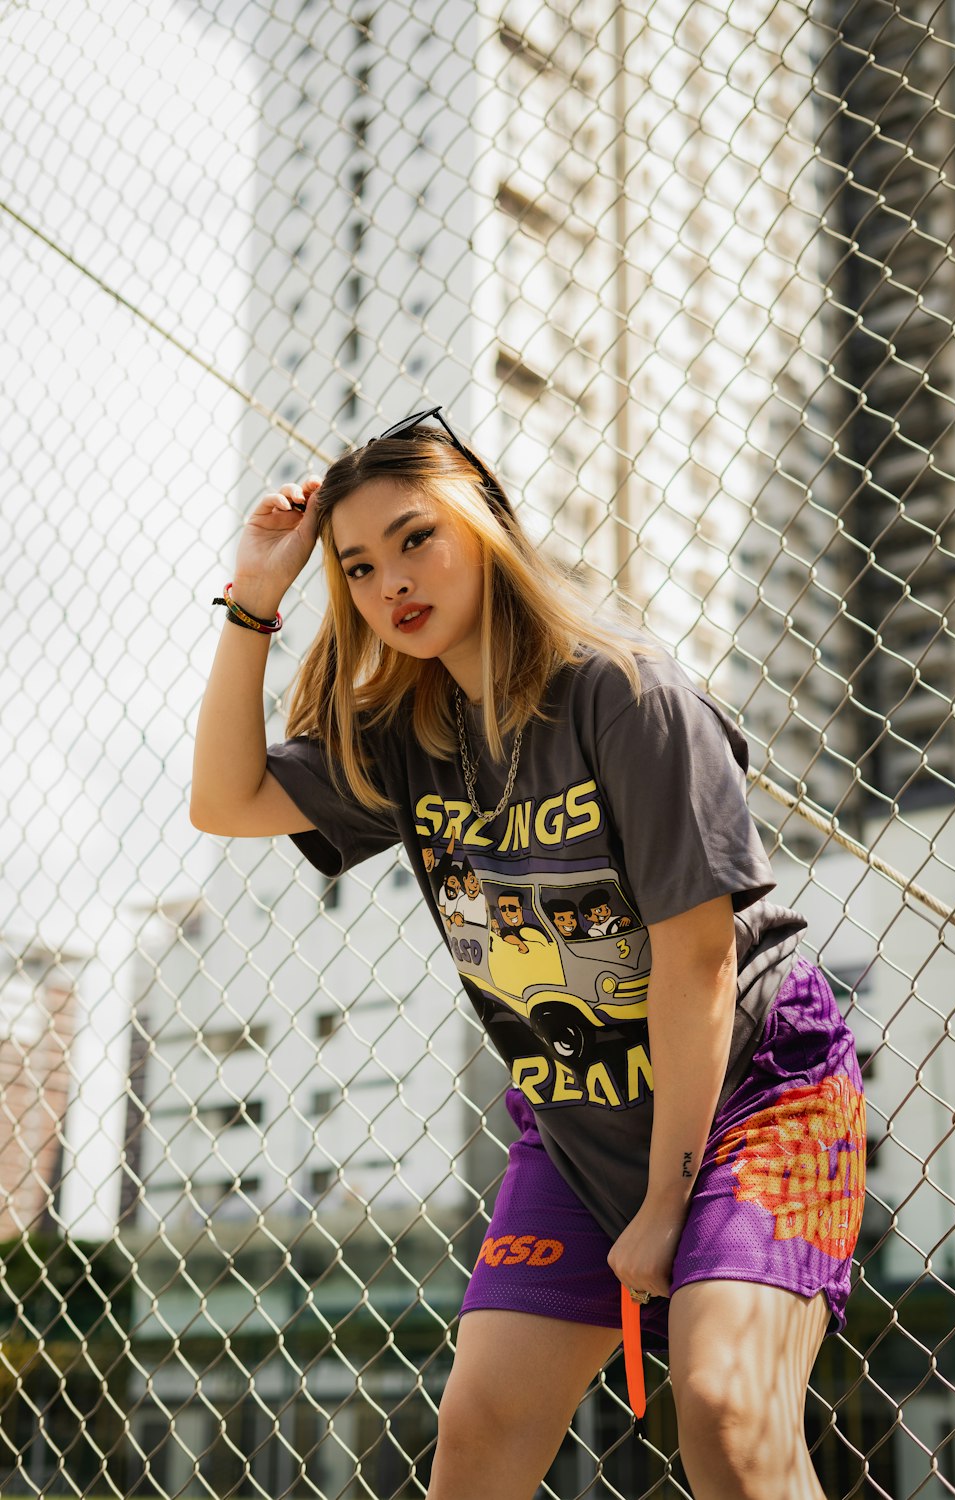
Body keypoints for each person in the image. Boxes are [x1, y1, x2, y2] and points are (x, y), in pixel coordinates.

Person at [190, 409, 867, 1500]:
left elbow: (695, 964)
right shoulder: (405, 736)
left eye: (416, 538)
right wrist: (255, 597)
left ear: (487, 522)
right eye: (357, 567)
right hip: (575, 1121)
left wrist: (663, 1206)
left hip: (751, 1097)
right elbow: (225, 801)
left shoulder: (624, 692)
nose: (389, 584)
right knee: (482, 1428)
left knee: (729, 1413)